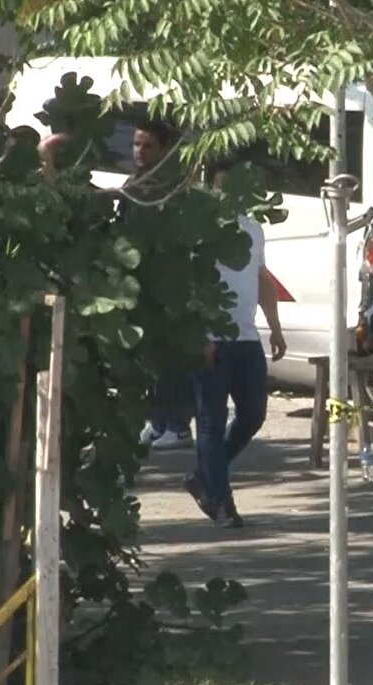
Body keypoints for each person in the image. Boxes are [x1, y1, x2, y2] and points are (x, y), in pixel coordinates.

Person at [184, 159, 287, 528]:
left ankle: (204, 475)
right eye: (222, 185)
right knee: (210, 422)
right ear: (212, 187)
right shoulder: (200, 230)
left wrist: (274, 327)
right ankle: (221, 501)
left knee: (253, 414)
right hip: (213, 340)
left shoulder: (253, 229)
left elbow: (261, 279)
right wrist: (201, 336)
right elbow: (191, 286)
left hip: (247, 338)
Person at [128, 119, 194, 450]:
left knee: (171, 360)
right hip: (141, 285)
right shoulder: (136, 182)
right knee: (150, 360)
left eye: (148, 145)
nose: (140, 151)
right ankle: (157, 422)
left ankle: (178, 425)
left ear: (163, 149)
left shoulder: (169, 186)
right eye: (136, 144)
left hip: (167, 284)